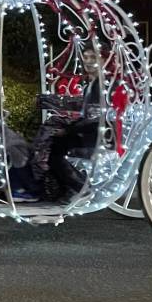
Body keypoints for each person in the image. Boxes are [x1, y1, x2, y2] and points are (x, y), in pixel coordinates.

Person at [30, 47, 103, 200]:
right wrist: (46, 101)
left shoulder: (100, 86)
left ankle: (80, 187)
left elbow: (95, 118)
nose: (88, 62)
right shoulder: (92, 84)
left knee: (54, 148)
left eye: (93, 58)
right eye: (86, 58)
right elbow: (81, 106)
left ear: (102, 60)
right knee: (52, 141)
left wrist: (68, 130)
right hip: (90, 131)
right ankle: (61, 188)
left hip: (98, 136)